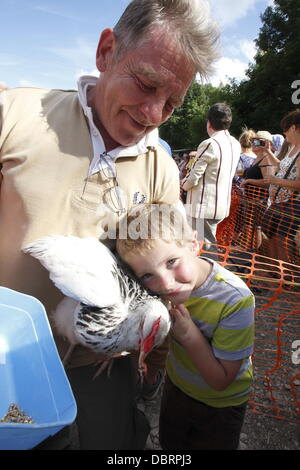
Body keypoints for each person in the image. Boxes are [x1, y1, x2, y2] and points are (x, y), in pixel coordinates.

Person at [0, 0, 219, 450]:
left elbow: (163, 284)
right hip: (4, 358)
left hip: (99, 365)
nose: (154, 113)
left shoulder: (162, 168)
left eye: (173, 104)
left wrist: (151, 361)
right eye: (146, 84)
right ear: (106, 52)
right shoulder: (15, 115)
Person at [116, 203, 255, 450]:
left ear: (193, 244)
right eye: (147, 275)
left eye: (171, 262)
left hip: (219, 406)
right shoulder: (158, 292)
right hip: (178, 387)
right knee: (172, 443)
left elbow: (222, 380)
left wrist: (189, 335)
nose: (166, 283)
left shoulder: (235, 300)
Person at [182, 102, 241, 251]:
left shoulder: (209, 144)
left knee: (204, 250)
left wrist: (182, 184)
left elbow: (194, 177)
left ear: (209, 123)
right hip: (221, 206)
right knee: (206, 246)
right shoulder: (235, 143)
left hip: (204, 207)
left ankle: (211, 274)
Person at [259, 110, 300, 262]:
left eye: (286, 129)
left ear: (294, 128)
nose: (284, 133)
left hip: (292, 206)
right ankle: (277, 274)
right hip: (280, 204)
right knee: (272, 237)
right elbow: (282, 166)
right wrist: (268, 152)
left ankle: (284, 280)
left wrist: (276, 181)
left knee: (282, 242)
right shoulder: (293, 148)